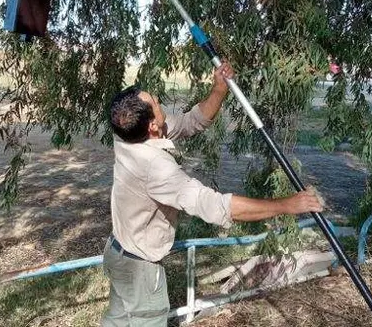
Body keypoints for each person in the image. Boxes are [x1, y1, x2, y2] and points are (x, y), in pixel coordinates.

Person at [101, 63, 324, 327]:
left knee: (116, 322)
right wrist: (287, 204)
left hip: (117, 252)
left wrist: (219, 89)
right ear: (151, 125)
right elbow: (216, 206)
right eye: (158, 103)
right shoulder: (155, 167)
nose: (161, 104)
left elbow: (190, 123)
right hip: (140, 270)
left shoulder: (126, 133)